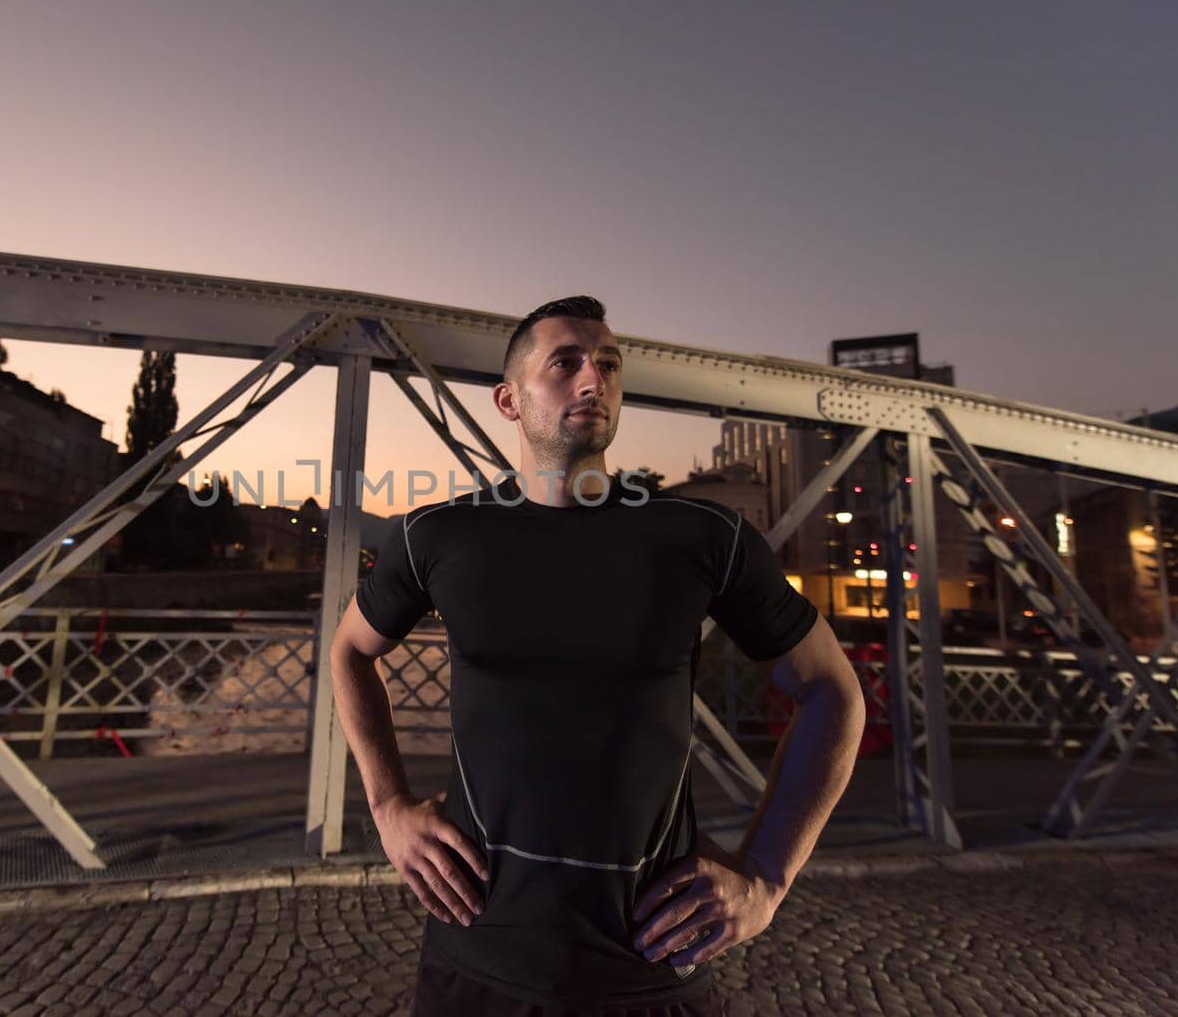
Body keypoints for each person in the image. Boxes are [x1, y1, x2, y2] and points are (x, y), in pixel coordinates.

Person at [330, 296, 867, 1016]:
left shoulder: (702, 538)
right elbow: (348, 653)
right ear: (509, 400)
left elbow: (834, 692)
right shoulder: (437, 536)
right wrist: (389, 805)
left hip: (649, 965)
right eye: (567, 363)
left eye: (609, 364)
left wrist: (768, 876)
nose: (596, 380)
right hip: (476, 958)